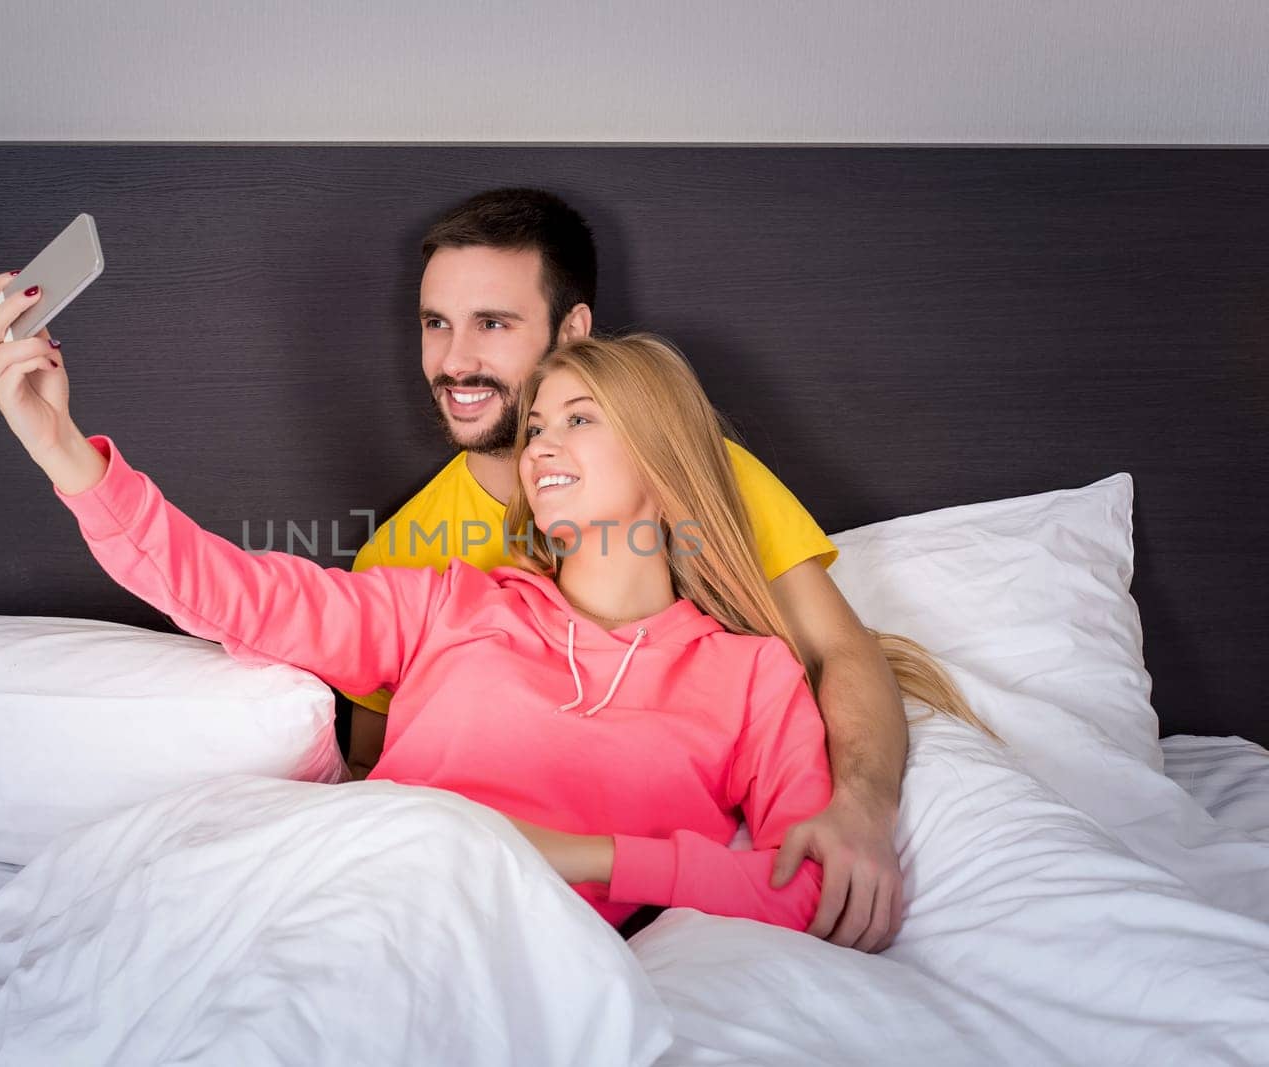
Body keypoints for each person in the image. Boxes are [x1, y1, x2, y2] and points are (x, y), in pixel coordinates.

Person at [0, 275, 994, 935]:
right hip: (348, 896)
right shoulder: (444, 605)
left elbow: (804, 886)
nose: (540, 442)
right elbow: (229, 589)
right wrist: (63, 452)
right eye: (538, 420)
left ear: (666, 461)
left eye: (579, 420)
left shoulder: (750, 678)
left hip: (514, 945)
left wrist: (574, 856)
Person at [344, 188, 917, 951]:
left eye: (494, 323)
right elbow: (366, 769)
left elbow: (840, 650)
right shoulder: (401, 551)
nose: (455, 361)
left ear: (571, 329)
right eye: (436, 324)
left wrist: (862, 809)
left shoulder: (693, 475)